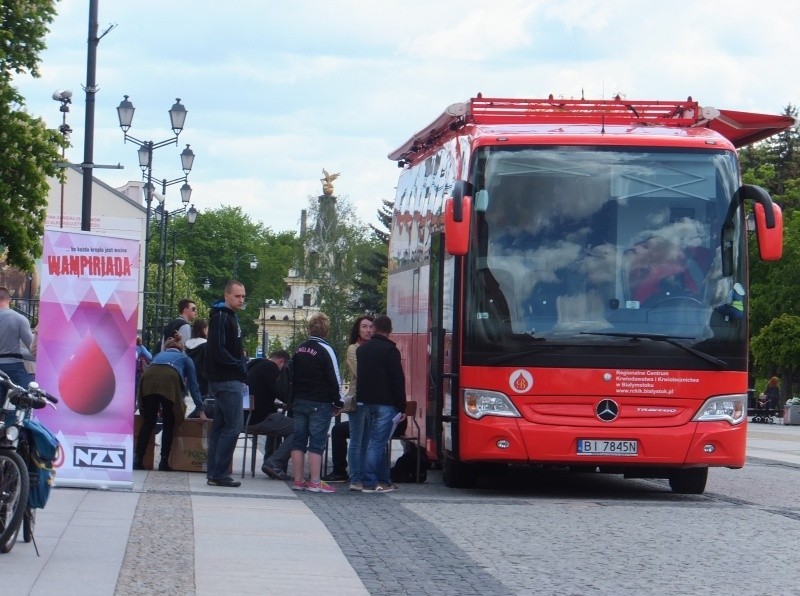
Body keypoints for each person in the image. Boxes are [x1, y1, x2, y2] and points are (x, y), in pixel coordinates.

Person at [289, 312, 343, 494]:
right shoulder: (326, 350)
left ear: (310, 328)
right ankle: (315, 481)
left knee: (298, 440)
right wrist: (338, 402)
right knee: (317, 442)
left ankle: (298, 480)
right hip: (319, 402)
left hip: (299, 400)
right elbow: (335, 377)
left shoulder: (300, 349)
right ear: (326, 330)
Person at [134, 336, 206, 471]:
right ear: (181, 348)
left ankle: (138, 460)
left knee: (149, 421)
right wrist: (200, 408)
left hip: (149, 377)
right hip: (169, 379)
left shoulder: (158, 355)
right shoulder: (185, 358)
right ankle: (164, 462)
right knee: (169, 422)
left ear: (167, 347)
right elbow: (193, 385)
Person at [357, 314, 407, 493]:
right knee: (377, 443)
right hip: (386, 403)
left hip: (367, 402)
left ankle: (384, 479)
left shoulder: (362, 350)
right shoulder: (390, 351)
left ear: (375, 328)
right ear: (390, 330)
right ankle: (370, 482)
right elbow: (397, 380)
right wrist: (402, 406)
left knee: (376, 442)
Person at [205, 281, 247, 488]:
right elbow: (219, 350)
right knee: (233, 426)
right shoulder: (222, 317)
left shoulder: (225, 316)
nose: (241, 300)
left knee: (221, 427)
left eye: (243, 296)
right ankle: (219, 472)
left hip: (225, 378)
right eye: (238, 296)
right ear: (227, 296)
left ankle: (214, 472)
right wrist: (239, 365)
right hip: (228, 378)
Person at [322, 315, 373, 486]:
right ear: (358, 330)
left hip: (372, 400)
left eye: (370, 327)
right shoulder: (353, 348)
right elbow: (361, 372)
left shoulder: (374, 347)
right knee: (357, 440)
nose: (367, 330)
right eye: (364, 327)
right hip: (357, 399)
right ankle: (354, 477)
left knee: (366, 440)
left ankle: (363, 475)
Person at [245, 350, 293, 480]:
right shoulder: (270, 367)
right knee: (300, 429)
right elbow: (281, 392)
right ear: (281, 361)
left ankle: (269, 460)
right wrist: (292, 399)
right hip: (259, 418)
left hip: (245, 418)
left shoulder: (253, 365)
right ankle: (274, 462)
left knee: (277, 419)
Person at [0, 286, 34, 397]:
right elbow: (33, 347)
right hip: (13, 368)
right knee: (22, 402)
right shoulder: (19, 319)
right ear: (9, 300)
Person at [185, 318, 209, 401]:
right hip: (202, 378)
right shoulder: (206, 345)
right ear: (203, 329)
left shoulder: (187, 344)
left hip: (190, 377)